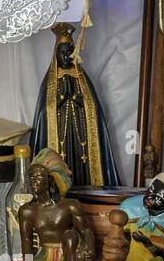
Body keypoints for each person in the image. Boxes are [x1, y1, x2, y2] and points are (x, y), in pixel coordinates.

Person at [29, 23, 120, 188]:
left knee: (81, 164)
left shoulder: (82, 78)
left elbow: (93, 106)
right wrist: (61, 100)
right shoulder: (49, 82)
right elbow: (44, 111)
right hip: (58, 136)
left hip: (81, 137)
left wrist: (80, 100)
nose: (66, 57)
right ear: (56, 55)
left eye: (69, 53)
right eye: (62, 53)